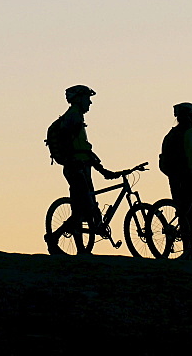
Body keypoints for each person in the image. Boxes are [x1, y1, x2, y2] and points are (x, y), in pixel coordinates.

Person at [44, 85, 121, 255]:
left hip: (82, 166)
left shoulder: (76, 117)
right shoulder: (73, 117)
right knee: (81, 209)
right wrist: (77, 162)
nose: (90, 102)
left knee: (84, 208)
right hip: (76, 168)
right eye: (87, 98)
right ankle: (56, 239)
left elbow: (83, 148)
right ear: (79, 99)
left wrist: (100, 167)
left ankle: (78, 248)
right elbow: (73, 146)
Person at [158, 102, 192, 260]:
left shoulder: (171, 134)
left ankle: (189, 250)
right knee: (190, 212)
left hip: (177, 176)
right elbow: (189, 157)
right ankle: (189, 251)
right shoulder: (191, 133)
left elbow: (188, 157)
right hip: (187, 177)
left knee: (186, 211)